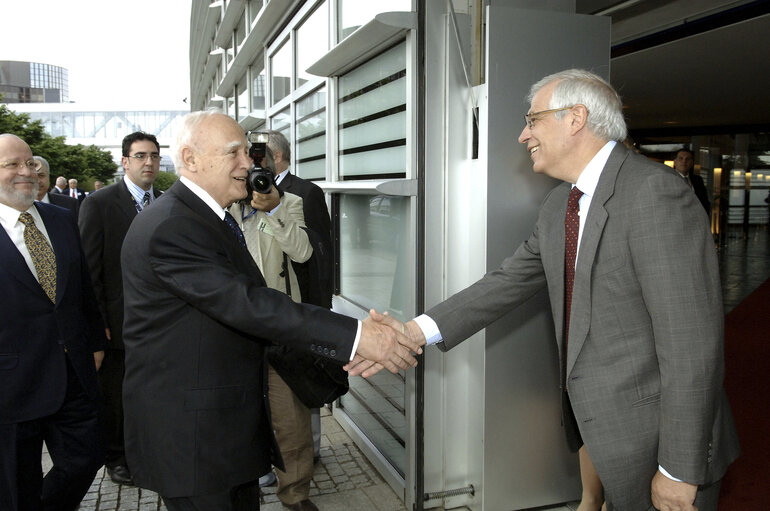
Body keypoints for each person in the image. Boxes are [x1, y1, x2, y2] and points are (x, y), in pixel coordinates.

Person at [353, 69, 740, 511]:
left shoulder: (654, 193)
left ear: (575, 118)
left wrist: (679, 469)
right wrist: (413, 332)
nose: (523, 135)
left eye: (533, 120)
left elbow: (692, 346)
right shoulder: (560, 205)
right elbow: (505, 282)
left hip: (659, 442)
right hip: (602, 437)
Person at [120, 110, 420, 511]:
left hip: (222, 434)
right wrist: (358, 336)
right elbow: (248, 303)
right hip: (195, 441)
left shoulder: (204, 217)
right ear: (190, 159)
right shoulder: (173, 225)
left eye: (247, 151)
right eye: (234, 153)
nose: (248, 163)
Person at [0, 134, 107, 510]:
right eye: (12, 164)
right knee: (16, 485)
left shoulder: (62, 219)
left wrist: (95, 343)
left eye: (29, 163)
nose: (25, 172)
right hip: (11, 386)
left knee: (88, 458)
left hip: (72, 373)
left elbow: (82, 289)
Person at [229, 146, 317, 511]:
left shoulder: (289, 202)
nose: (253, 176)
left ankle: (295, 495)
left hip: (278, 329)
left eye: (257, 167)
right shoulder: (222, 209)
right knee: (234, 414)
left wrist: (274, 210)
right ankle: (238, 486)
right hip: (232, 328)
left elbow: (303, 253)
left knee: (291, 420)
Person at [78, 131, 162, 486]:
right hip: (117, 324)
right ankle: (117, 458)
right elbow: (88, 269)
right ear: (125, 162)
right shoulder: (99, 203)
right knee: (117, 396)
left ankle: (149, 451)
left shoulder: (166, 202)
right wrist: (98, 324)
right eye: (141, 156)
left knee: (151, 392)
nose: (149, 163)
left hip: (160, 322)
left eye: (154, 156)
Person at [264, 130, 332, 467]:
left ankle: (313, 449)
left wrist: (321, 309)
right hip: (267, 309)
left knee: (304, 381)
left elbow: (320, 252)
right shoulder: (242, 196)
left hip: (302, 304)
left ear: (275, 157)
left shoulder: (306, 192)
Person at [673, 148, 711, 215]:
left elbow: (704, 202)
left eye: (688, 159)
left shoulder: (698, 180)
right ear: (675, 161)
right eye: (681, 158)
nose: (684, 161)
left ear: (692, 162)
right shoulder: (669, 179)